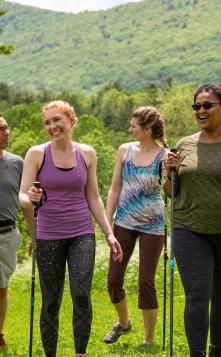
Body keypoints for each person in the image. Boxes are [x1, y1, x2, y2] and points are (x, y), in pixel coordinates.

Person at [19, 101, 123, 357]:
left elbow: (94, 197)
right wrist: (30, 197)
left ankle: (80, 353)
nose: (52, 126)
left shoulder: (86, 153)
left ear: (71, 120)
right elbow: (21, 196)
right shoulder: (37, 153)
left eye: (57, 120)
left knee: (81, 293)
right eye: (47, 122)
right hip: (48, 236)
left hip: (81, 234)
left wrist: (108, 233)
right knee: (51, 299)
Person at [163, 84, 221, 357]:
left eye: (207, 105)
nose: (200, 111)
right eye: (196, 106)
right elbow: (170, 192)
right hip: (189, 229)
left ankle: (217, 351)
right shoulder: (184, 144)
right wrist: (168, 173)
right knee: (196, 295)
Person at [103, 106, 168, 346]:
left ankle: (149, 340)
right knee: (113, 280)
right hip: (124, 222)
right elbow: (114, 188)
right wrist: (107, 222)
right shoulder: (125, 150)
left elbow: (170, 190)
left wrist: (171, 172)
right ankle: (123, 324)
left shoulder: (165, 155)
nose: (130, 129)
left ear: (147, 129)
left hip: (153, 224)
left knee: (145, 281)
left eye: (134, 126)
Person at [0, 113, 33, 348]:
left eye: (6, 127)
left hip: (8, 234)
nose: (6, 133)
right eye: (0, 129)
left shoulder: (17, 163)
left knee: (2, 288)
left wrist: (35, 232)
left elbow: (26, 203)